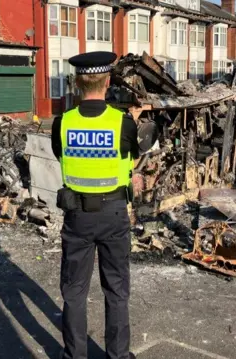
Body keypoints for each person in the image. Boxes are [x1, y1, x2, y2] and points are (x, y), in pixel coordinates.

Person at [51, 51, 139, 359]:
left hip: (76, 217)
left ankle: (75, 355)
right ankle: (118, 355)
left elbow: (60, 156)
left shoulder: (62, 123)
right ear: (108, 82)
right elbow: (132, 158)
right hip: (114, 214)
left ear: (77, 83)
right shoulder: (123, 123)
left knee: (74, 292)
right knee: (116, 290)